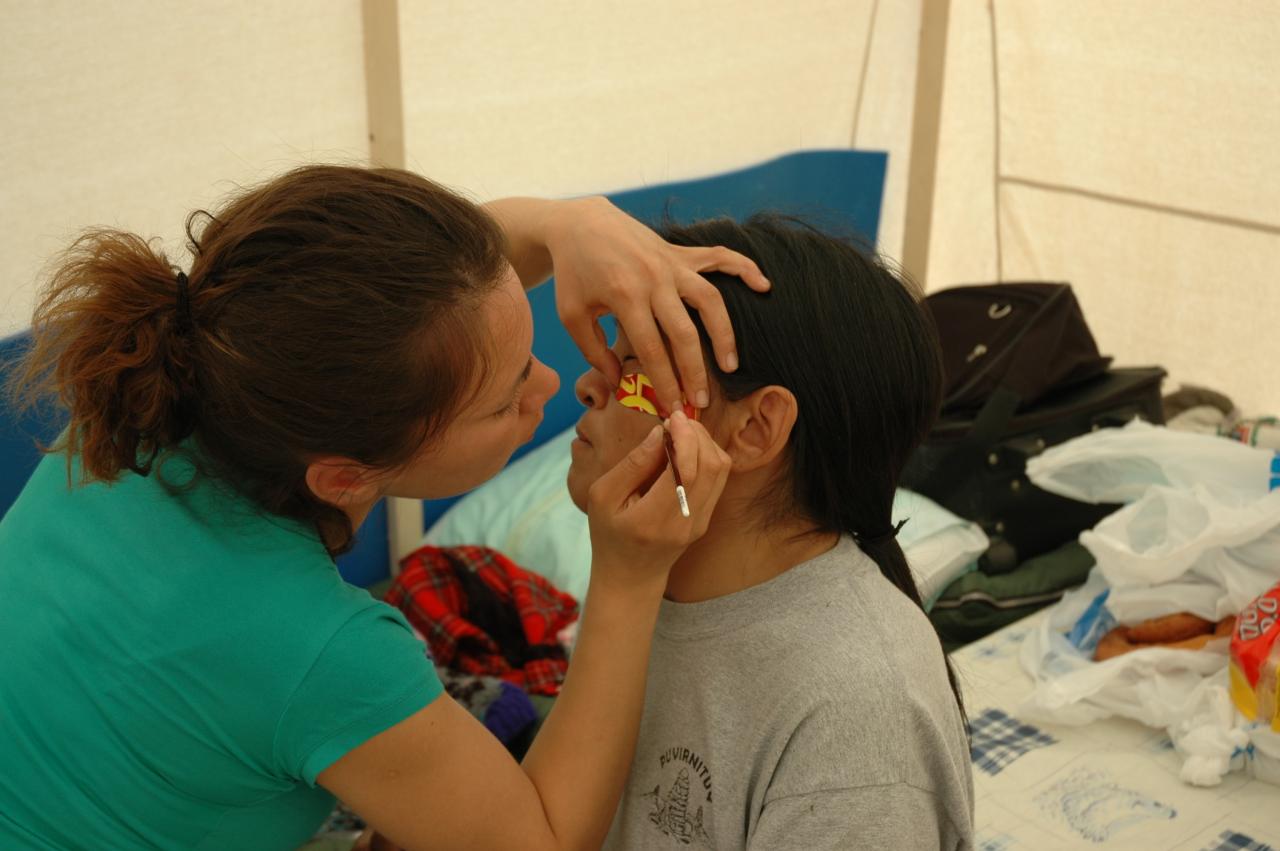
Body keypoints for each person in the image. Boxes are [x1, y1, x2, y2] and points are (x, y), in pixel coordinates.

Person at [0, 165, 768, 850]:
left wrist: (564, 224)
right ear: (345, 477)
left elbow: (426, 297)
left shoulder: (146, 403)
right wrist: (627, 578)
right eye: (506, 401)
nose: (555, 386)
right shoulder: (321, 648)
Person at [566, 214, 975, 850]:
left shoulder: (857, 714)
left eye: (635, 365)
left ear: (756, 429)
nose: (589, 386)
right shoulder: (641, 583)